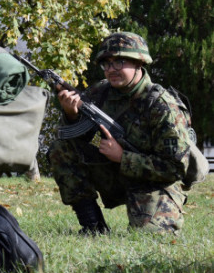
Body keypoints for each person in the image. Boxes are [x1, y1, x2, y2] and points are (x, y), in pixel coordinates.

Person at [48, 32, 193, 234]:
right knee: (61, 149)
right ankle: (93, 226)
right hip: (113, 174)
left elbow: (175, 168)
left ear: (139, 63)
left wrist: (122, 157)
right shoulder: (100, 92)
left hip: (154, 183)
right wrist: (71, 115)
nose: (111, 70)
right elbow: (81, 138)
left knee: (149, 235)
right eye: (106, 64)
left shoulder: (162, 105)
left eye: (119, 62)